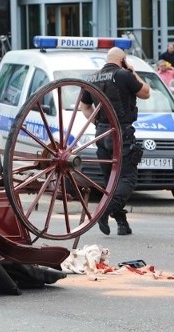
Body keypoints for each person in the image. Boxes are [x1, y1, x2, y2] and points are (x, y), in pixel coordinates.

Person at [79, 47, 150, 236]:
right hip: (121, 134)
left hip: (101, 135)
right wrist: (133, 71)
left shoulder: (92, 78)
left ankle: (122, 224)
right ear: (123, 60)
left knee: (112, 181)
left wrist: (97, 122)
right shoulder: (124, 75)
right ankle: (105, 212)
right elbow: (146, 92)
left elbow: (84, 106)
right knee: (127, 178)